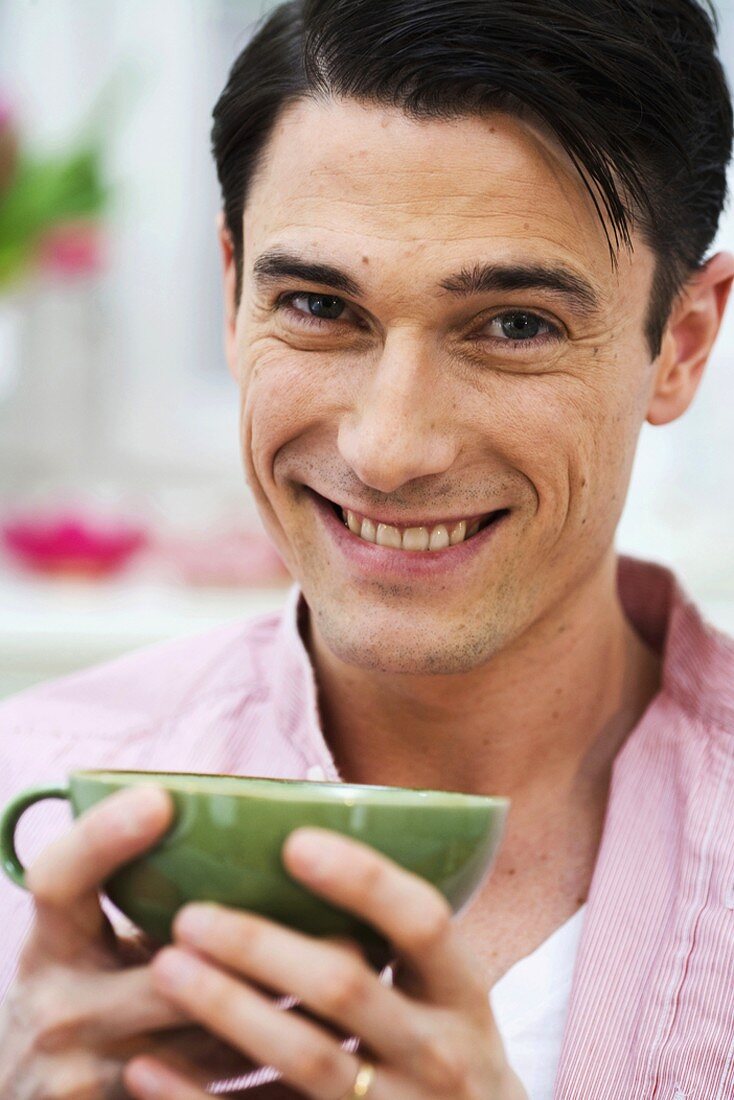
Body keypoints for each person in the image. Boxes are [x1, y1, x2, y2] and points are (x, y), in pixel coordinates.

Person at [2, 0, 734, 1096]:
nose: (388, 448)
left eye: (513, 324)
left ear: (677, 344)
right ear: (231, 291)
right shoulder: (27, 786)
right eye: (315, 304)